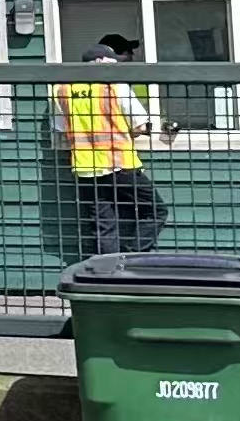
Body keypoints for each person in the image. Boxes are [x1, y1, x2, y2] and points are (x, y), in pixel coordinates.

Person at [57, 32, 166, 256]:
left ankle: (107, 270)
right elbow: (138, 126)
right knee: (155, 211)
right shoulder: (116, 85)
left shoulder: (61, 90)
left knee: (104, 224)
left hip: (86, 169)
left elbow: (60, 130)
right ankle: (129, 256)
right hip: (119, 163)